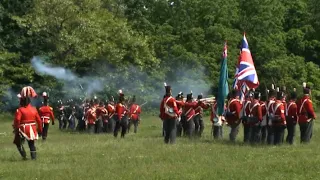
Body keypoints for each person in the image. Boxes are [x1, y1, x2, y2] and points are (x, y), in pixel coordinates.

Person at [13, 86, 42, 160]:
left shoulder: (20, 110)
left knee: (18, 143)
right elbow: (39, 120)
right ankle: (34, 158)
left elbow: (17, 120)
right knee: (31, 144)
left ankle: (24, 156)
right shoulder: (34, 109)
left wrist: (16, 129)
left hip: (23, 129)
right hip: (32, 128)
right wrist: (40, 130)